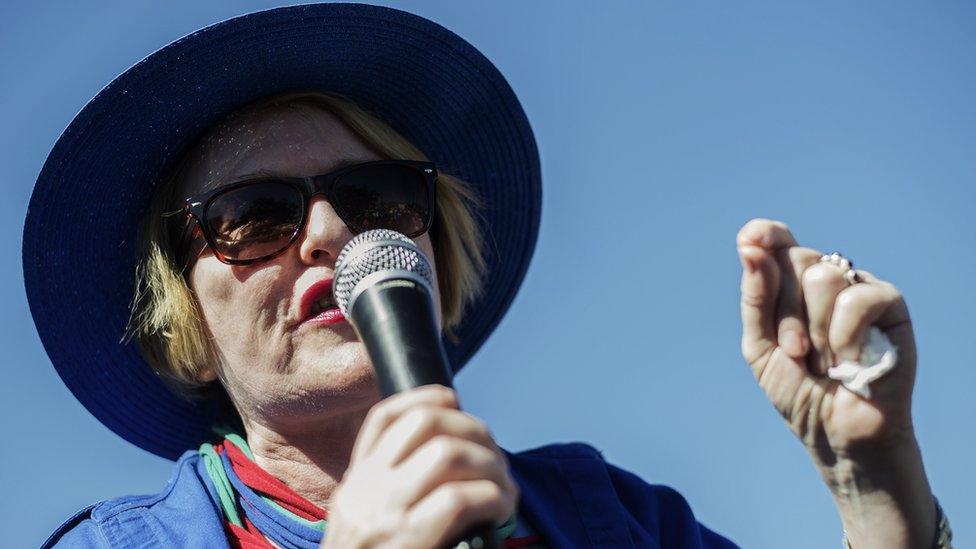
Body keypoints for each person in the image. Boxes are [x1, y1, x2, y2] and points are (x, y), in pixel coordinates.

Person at [23, 4, 950, 548]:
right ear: (181, 327)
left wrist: (873, 484)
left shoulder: (601, 516)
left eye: (376, 196)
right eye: (254, 217)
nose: (330, 231)